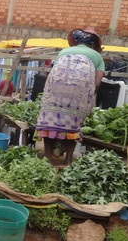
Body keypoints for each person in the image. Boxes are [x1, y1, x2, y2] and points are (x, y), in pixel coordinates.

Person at [35, 28, 105, 166]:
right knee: (74, 122)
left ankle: (48, 159)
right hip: (79, 90)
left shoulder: (64, 52)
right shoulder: (97, 56)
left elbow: (55, 71)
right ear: (93, 44)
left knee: (50, 120)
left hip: (56, 87)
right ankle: (68, 160)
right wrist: (88, 96)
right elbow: (97, 82)